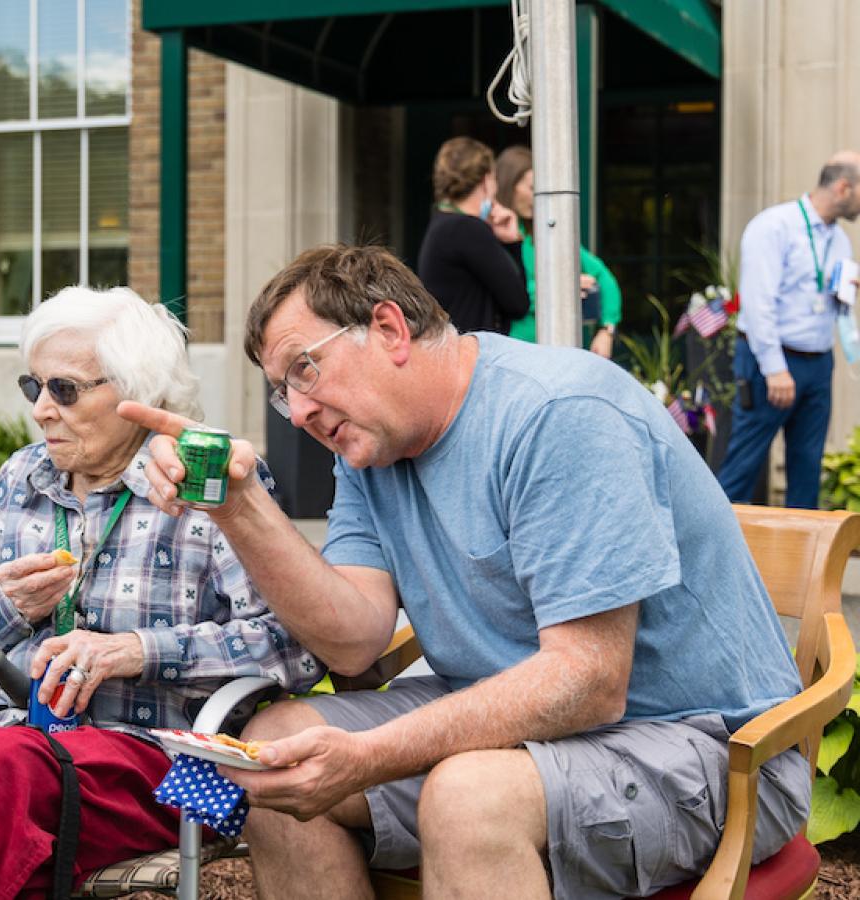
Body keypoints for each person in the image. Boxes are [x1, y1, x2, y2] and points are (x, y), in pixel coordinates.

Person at [119, 244, 809, 900]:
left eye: (304, 370)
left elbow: (591, 681)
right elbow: (354, 637)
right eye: (280, 392)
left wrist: (373, 756)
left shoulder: (557, 414)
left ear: (389, 328)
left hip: (709, 745)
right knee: (275, 755)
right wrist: (240, 507)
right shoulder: (372, 449)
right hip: (521, 728)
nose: (296, 412)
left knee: (469, 798)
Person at [0, 286, 319, 900]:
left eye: (65, 389)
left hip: (167, 769)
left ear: (138, 396)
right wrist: (12, 612)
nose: (41, 411)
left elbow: (294, 649)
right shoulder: (21, 479)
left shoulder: (208, 483)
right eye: (33, 387)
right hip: (9, 754)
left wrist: (137, 651)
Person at [716, 151, 860, 509]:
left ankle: (802, 564)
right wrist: (775, 368)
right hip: (771, 363)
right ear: (844, 188)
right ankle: (710, 556)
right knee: (743, 465)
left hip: (817, 364)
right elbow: (757, 303)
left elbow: (833, 303)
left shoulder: (840, 240)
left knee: (806, 468)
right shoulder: (773, 226)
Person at [495, 144, 623, 358]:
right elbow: (508, 293)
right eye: (532, 187)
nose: (538, 195)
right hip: (515, 354)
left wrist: (606, 330)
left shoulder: (546, 233)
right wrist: (564, 287)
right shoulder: (494, 236)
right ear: (510, 186)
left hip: (560, 352)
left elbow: (604, 277)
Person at [416, 136, 531, 334]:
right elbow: (518, 305)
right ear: (486, 180)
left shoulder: (443, 224)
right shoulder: (467, 229)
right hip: (473, 359)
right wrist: (514, 243)